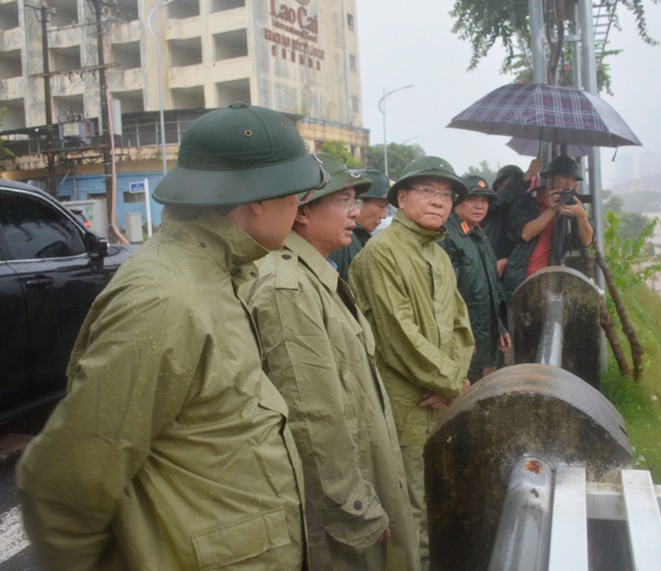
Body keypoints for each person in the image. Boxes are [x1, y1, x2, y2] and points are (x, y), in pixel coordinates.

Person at [15, 102, 326, 570]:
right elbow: (68, 481)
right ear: (259, 197)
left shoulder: (218, 273)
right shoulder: (167, 300)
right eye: (295, 194)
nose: (297, 207)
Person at [243, 153, 419, 571]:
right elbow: (311, 414)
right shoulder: (288, 288)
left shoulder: (313, 274)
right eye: (343, 200)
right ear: (302, 212)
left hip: (362, 473)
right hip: (341, 508)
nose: (355, 211)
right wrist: (355, 509)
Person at [348, 156, 475, 569]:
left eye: (445, 194)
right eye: (427, 191)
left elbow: (460, 325)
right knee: (407, 510)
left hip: (436, 400)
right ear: (401, 198)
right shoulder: (381, 253)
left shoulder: (437, 254)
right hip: (405, 405)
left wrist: (450, 378)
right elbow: (397, 335)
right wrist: (449, 383)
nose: (438, 201)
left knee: (434, 498)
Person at [439, 175, 511, 382]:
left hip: (486, 334)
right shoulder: (448, 236)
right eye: (473, 199)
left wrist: (500, 327)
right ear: (456, 201)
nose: (480, 205)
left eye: (485, 200)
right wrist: (459, 339)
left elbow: (492, 288)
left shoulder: (479, 234)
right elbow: (446, 296)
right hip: (464, 337)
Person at [501, 155, 594, 298]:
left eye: (574, 179)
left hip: (551, 285)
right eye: (565, 176)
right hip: (520, 282)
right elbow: (525, 234)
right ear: (550, 176)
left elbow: (587, 241)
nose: (569, 183)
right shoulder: (529, 199)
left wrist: (581, 215)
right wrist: (552, 210)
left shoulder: (573, 206)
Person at [482, 158, 543, 278]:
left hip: (513, 273)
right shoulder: (489, 207)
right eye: (507, 183)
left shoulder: (525, 211)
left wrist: (508, 260)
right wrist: (526, 176)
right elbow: (503, 198)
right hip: (488, 270)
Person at [330, 167, 390, 282]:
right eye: (380, 206)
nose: (384, 215)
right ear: (358, 202)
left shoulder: (361, 238)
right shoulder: (341, 241)